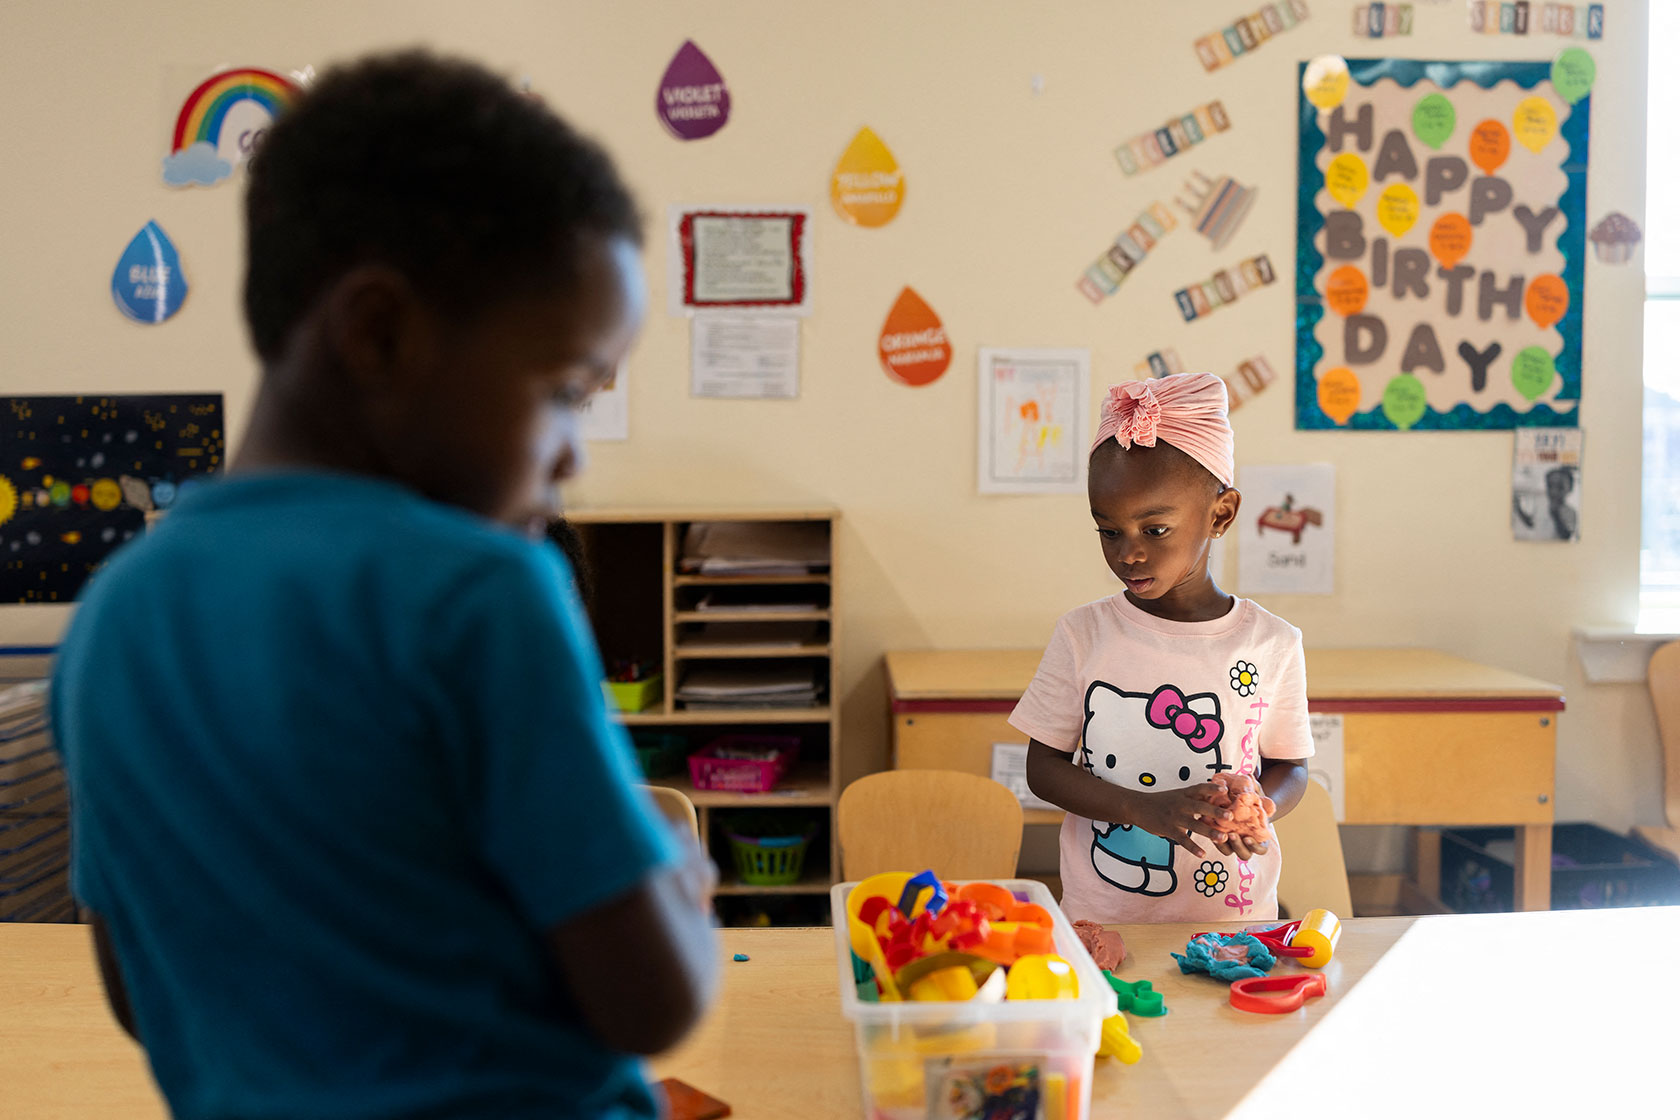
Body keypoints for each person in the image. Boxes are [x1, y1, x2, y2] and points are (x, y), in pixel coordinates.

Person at [52, 51, 717, 1119]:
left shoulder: (115, 618)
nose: (571, 457)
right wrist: (680, 881)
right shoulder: (485, 592)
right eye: (564, 390)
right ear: (378, 331)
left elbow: (141, 993)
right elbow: (652, 1001)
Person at [1011, 374, 1312, 923]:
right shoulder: (1084, 634)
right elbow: (1042, 769)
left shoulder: (1271, 642)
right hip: (1105, 915)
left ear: (1220, 514)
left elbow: (1291, 766)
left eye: (1155, 530)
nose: (1129, 554)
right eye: (1109, 531)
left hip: (1232, 917)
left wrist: (1258, 808)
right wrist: (1140, 809)